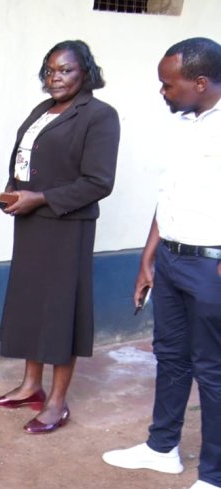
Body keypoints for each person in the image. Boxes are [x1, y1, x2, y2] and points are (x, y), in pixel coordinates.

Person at [102, 37, 221, 489]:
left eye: (168, 85)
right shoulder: (185, 124)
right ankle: (161, 448)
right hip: (170, 258)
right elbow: (168, 195)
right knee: (170, 357)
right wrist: (147, 258)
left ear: (201, 81)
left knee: (213, 370)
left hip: (212, 267)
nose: (163, 92)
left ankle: (214, 476)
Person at [0, 40, 119, 433]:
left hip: (67, 226)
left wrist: (39, 197)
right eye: (50, 70)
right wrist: (14, 191)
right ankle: (31, 386)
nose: (55, 78)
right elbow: (27, 159)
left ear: (86, 73)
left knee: (61, 311)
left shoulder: (99, 115)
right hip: (31, 222)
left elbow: (99, 181)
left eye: (65, 70)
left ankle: (57, 403)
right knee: (31, 304)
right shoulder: (42, 110)